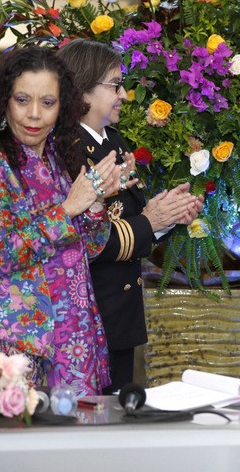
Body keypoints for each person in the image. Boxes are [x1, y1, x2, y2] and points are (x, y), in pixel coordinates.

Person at [0, 47, 128, 395]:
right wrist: (67, 210)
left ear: (62, 107)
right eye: (22, 100)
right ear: (4, 102)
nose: (34, 114)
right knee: (22, 429)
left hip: (75, 336)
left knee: (80, 430)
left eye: (48, 102)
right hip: (22, 344)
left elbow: (89, 248)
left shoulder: (57, 157)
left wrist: (97, 201)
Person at [56, 39, 204, 394]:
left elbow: (133, 218)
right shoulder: (65, 150)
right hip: (86, 312)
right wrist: (152, 221)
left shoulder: (114, 141)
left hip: (120, 312)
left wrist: (166, 216)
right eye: (115, 85)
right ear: (82, 89)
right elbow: (82, 238)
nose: (123, 94)